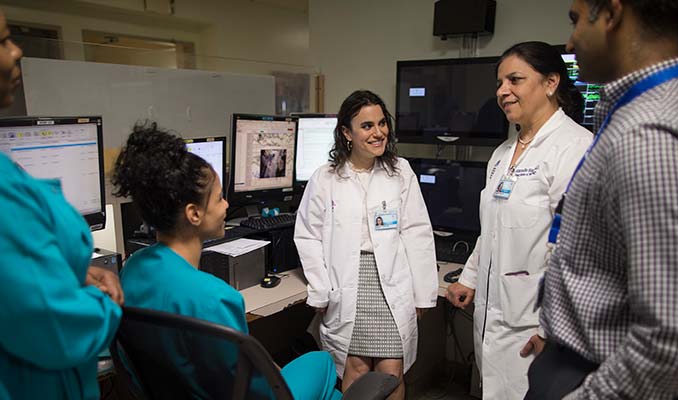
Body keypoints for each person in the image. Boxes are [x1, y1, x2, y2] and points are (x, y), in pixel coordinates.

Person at [527, 1, 678, 399]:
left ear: (610, 14)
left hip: (595, 373)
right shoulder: (658, 106)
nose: (570, 42)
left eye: (575, 20)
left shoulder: (650, 134)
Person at [0, 1, 123, 398]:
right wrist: (105, 300)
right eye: (2, 39)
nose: (18, 51)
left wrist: (64, 274)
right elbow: (58, 330)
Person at [113, 122, 342, 400]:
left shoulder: (132, 269)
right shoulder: (216, 298)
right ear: (194, 214)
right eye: (220, 198)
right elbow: (256, 393)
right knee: (322, 363)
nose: (226, 206)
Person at [445, 41, 593, 399]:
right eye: (499, 83)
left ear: (551, 82)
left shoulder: (574, 147)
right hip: (492, 317)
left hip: (534, 326)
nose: (502, 91)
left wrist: (552, 328)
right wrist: (470, 277)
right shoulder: (502, 154)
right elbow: (492, 230)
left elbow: (577, 250)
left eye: (515, 79)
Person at [295, 90, 438, 399]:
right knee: (356, 367)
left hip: (392, 282)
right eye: (367, 126)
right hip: (348, 281)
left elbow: (417, 232)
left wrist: (423, 293)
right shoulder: (325, 178)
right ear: (347, 132)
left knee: (392, 371)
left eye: (382, 123)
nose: (378, 133)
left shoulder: (400, 172)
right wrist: (320, 288)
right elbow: (307, 235)